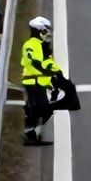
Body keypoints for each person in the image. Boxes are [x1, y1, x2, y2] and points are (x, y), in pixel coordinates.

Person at [21, 15, 61, 146]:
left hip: (43, 82)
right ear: (40, 31)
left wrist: (57, 75)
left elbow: (50, 62)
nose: (48, 34)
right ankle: (29, 134)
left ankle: (35, 132)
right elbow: (32, 62)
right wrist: (46, 71)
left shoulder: (44, 46)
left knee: (46, 108)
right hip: (31, 82)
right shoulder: (30, 45)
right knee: (34, 108)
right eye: (46, 31)